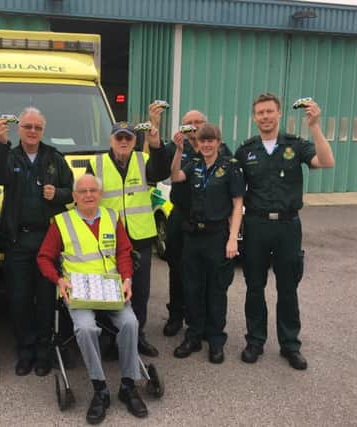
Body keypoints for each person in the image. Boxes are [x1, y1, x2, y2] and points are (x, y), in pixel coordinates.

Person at [37, 174, 148, 424]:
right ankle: (100, 390)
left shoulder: (111, 217)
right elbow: (44, 257)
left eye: (93, 191)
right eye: (83, 191)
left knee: (131, 323)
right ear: (74, 196)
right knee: (86, 329)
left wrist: (127, 278)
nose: (88, 195)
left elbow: (123, 252)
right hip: (78, 290)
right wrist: (58, 280)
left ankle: (128, 386)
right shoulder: (61, 222)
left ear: (100, 194)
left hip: (110, 287)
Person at [234, 93, 334, 370]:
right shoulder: (246, 151)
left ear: (278, 114)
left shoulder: (296, 145)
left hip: (288, 226)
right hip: (255, 224)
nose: (265, 117)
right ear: (254, 118)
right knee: (255, 286)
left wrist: (315, 126)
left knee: (287, 287)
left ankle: (290, 344)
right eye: (260, 113)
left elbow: (326, 162)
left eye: (269, 112)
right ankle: (255, 340)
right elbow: (234, 193)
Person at [0, 107, 73, 377]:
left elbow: (71, 191)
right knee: (19, 298)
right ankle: (24, 352)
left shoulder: (54, 157)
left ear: (43, 130)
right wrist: (1, 143)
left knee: (46, 299)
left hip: (47, 240)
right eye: (28, 126)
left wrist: (57, 193)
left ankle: (43, 352)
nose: (33, 131)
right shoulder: (10, 156)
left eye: (38, 127)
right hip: (17, 240)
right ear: (19, 129)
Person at [86, 120, 170, 357]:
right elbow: (87, 197)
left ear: (135, 141)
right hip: (108, 239)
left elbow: (162, 171)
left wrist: (156, 145)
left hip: (140, 237)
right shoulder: (97, 163)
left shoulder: (144, 161)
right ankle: (110, 338)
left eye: (128, 138)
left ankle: (137, 337)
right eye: (119, 137)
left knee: (140, 292)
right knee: (109, 290)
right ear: (111, 140)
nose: (123, 142)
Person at [153, 107, 232, 337]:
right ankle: (176, 315)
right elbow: (158, 170)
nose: (194, 126)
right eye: (189, 123)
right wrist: (156, 136)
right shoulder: (177, 146)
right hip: (181, 216)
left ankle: (205, 321)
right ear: (182, 127)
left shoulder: (220, 149)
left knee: (208, 272)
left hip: (210, 221)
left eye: (199, 122)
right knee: (177, 268)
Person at [170, 123, 245, 363]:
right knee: (192, 287)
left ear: (218, 142)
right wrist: (179, 151)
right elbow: (175, 176)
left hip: (217, 236)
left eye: (211, 141)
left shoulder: (230, 167)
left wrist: (233, 238)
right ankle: (193, 335)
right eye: (202, 141)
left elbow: (237, 204)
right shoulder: (193, 164)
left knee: (216, 289)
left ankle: (215, 340)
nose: (206, 144)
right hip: (193, 236)